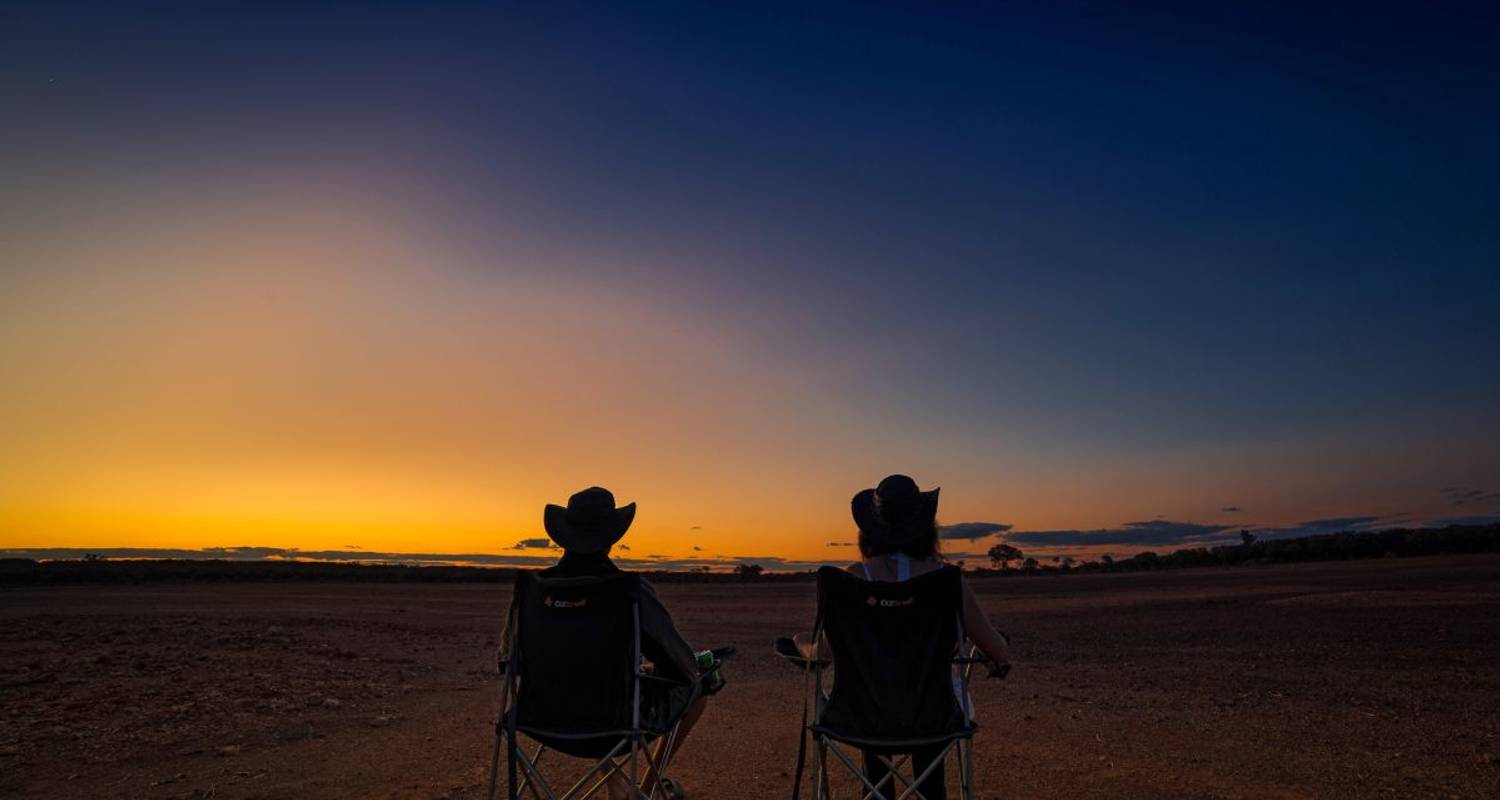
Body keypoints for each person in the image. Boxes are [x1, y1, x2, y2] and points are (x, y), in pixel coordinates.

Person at [797, 474, 1011, 800]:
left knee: (874, 693)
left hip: (859, 717)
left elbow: (823, 656)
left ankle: (878, 791)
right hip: (934, 716)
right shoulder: (945, 580)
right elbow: (996, 650)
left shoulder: (850, 582)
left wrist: (803, 647)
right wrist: (1000, 650)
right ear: (926, 528)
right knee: (924, 705)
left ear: (870, 530)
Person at [509, 486, 711, 800]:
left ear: (563, 536)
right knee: (698, 690)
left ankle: (617, 785)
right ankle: (643, 790)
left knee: (589, 686)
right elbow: (681, 666)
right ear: (612, 538)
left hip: (540, 719)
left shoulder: (532, 591)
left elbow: (509, 663)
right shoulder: (627, 590)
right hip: (613, 725)